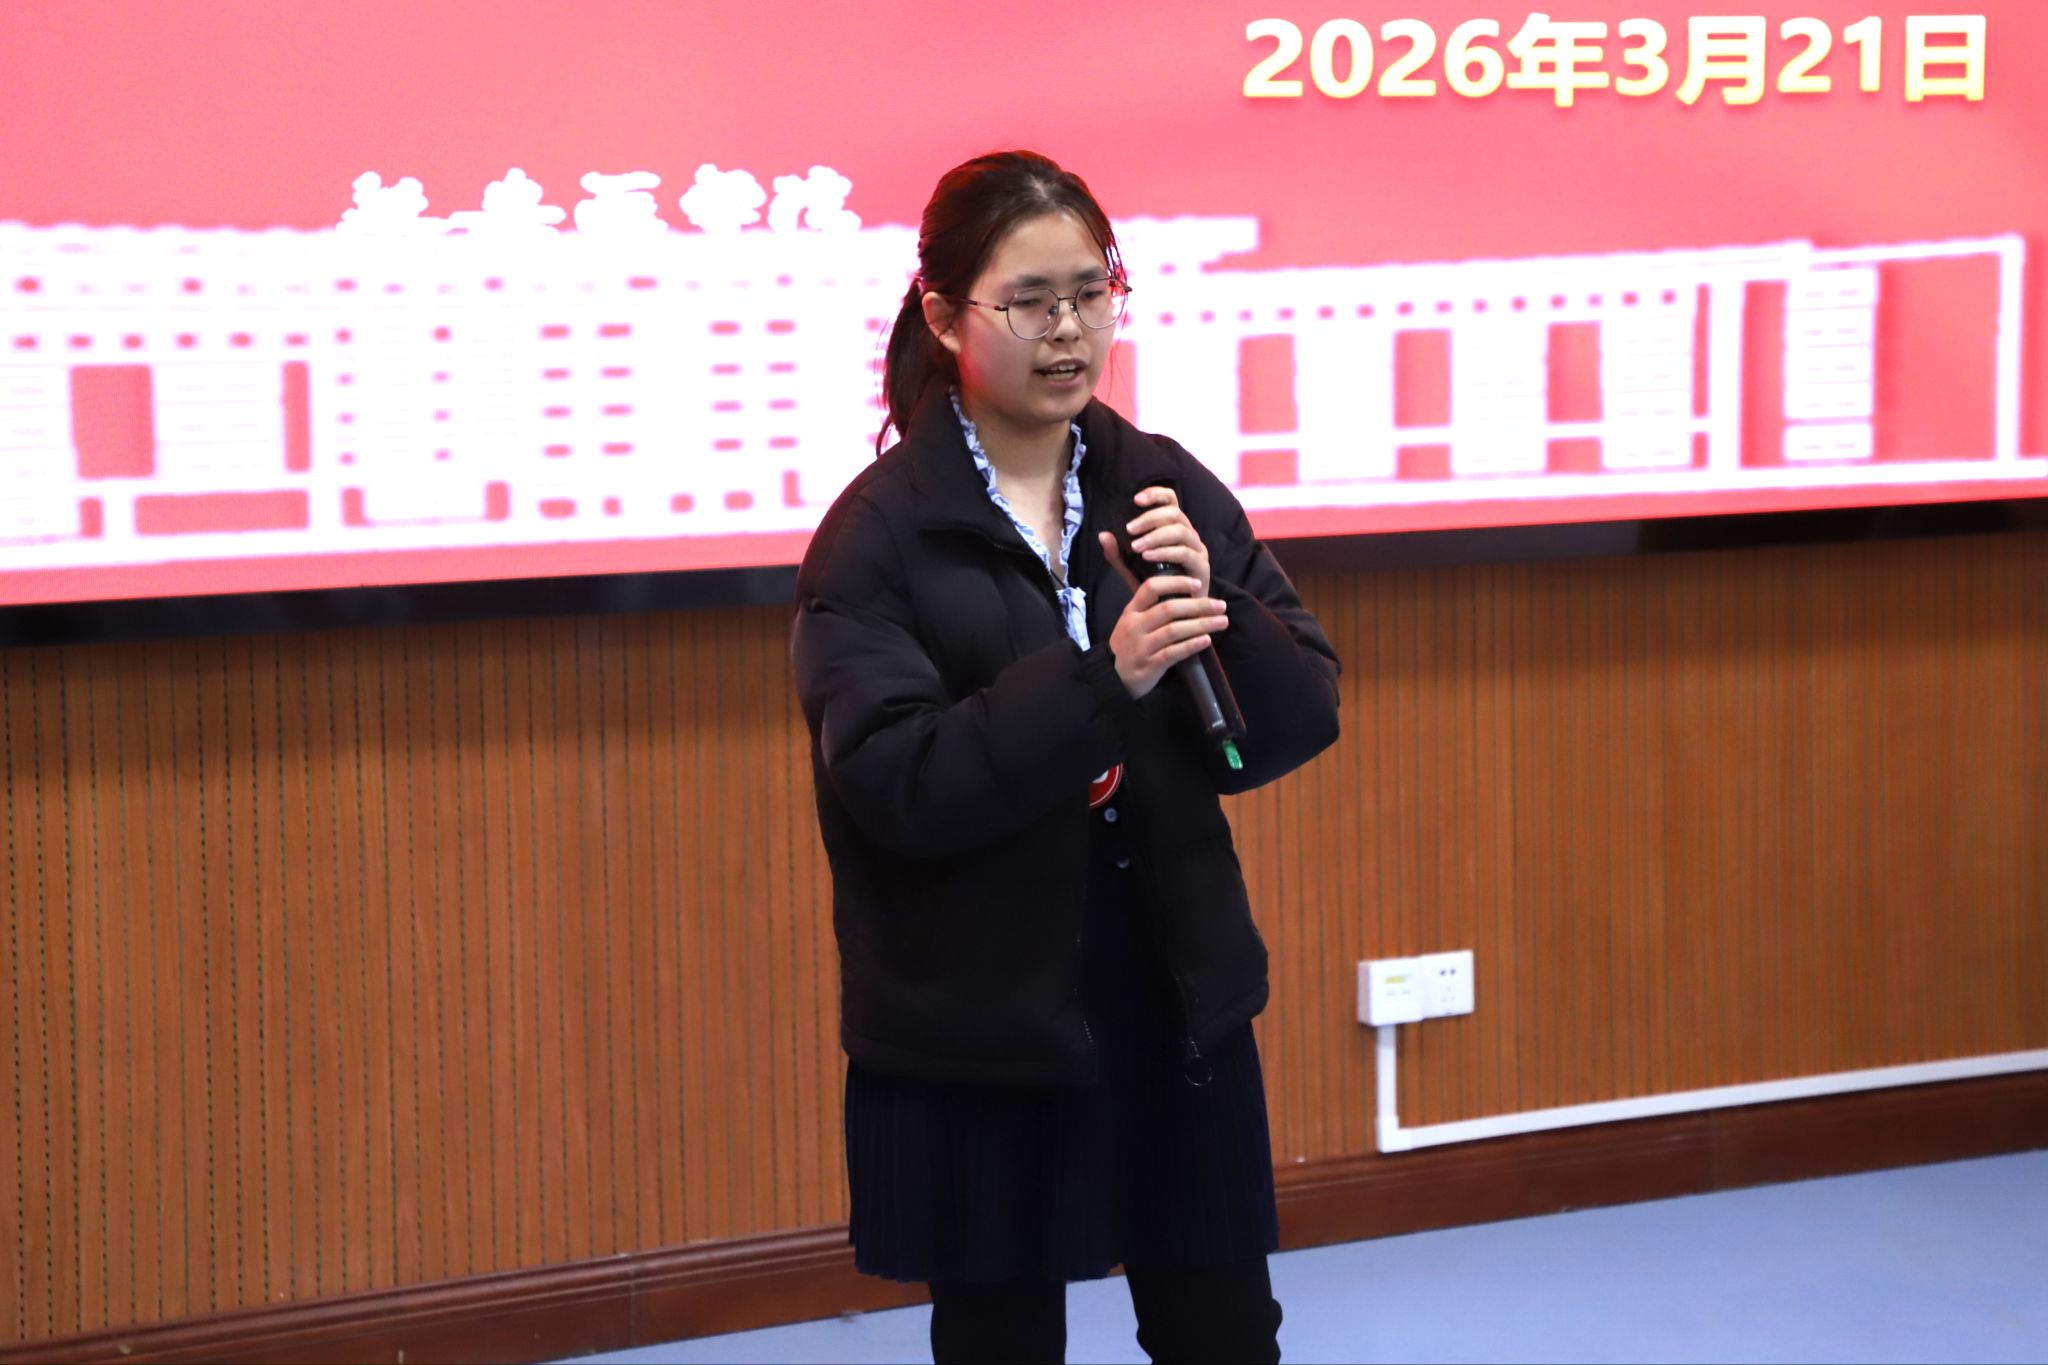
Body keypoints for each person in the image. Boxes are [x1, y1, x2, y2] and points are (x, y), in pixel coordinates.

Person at [791, 150, 1342, 1365]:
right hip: (982, 1016)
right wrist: (1102, 680)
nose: (1069, 332)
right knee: (1000, 1341)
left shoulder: (1160, 485)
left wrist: (1215, 607)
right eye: (1030, 302)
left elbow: (1298, 715)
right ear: (945, 318)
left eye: (1092, 295)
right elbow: (895, 784)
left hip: (1171, 989)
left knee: (1224, 1334)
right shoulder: (879, 535)